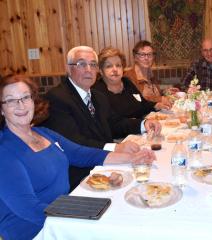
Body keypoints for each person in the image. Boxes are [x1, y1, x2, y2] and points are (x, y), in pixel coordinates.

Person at [0, 75, 156, 240]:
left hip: (61, 213)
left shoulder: (43, 133)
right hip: (37, 230)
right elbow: (29, 209)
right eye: (11, 100)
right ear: (2, 109)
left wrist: (132, 158)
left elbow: (82, 154)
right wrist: (83, 212)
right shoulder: (4, 151)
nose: (21, 105)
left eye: (25, 97)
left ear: (33, 100)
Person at [43, 46, 161, 190]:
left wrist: (144, 124)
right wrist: (116, 148)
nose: (88, 69)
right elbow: (74, 143)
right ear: (69, 68)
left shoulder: (98, 96)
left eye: (93, 65)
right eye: (81, 64)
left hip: (106, 166)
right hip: (80, 176)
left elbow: (115, 123)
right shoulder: (57, 98)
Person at [93, 47, 169, 119]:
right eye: (109, 66)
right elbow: (112, 122)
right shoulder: (97, 92)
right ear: (101, 71)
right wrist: (140, 124)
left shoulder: (126, 82)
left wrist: (155, 105)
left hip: (140, 128)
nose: (115, 69)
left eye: (118, 65)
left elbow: (142, 103)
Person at [124, 40, 173, 107]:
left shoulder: (150, 75)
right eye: (142, 55)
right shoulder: (129, 77)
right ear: (135, 57)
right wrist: (159, 99)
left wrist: (167, 92)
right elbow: (135, 100)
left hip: (156, 115)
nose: (146, 58)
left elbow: (153, 94)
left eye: (149, 54)